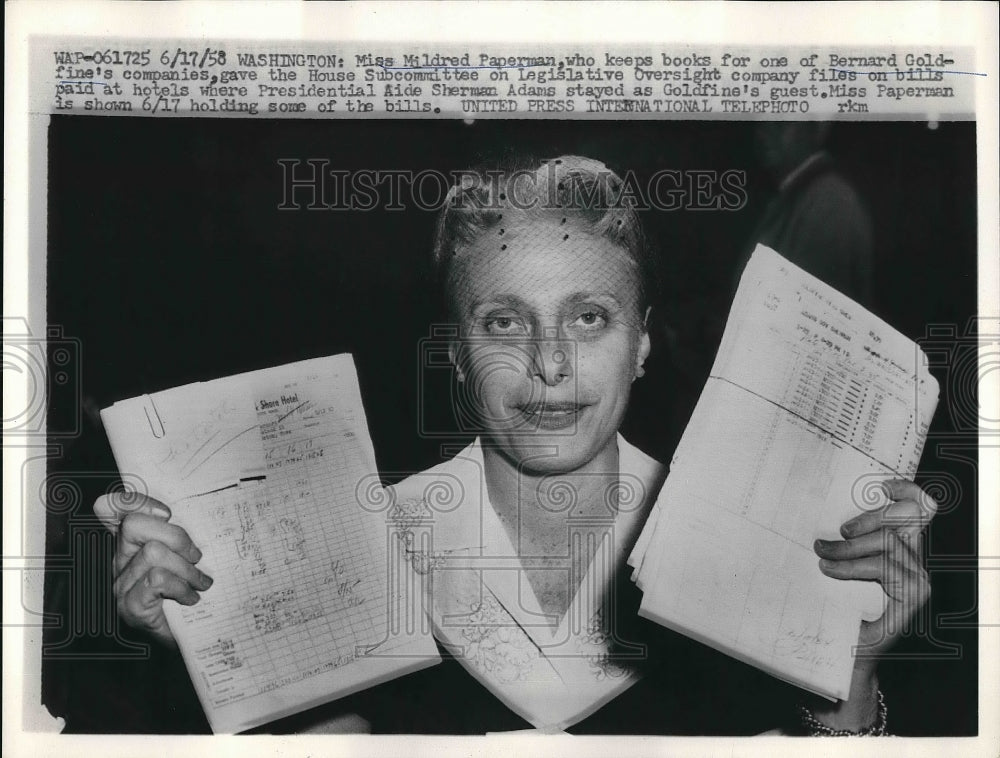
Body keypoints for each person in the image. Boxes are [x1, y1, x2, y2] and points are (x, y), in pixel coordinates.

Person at [94, 155, 935, 735]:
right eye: (504, 321)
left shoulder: (762, 542)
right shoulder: (361, 541)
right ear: (456, 352)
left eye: (589, 317)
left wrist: (846, 675)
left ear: (643, 341)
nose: (550, 361)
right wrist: (229, 658)